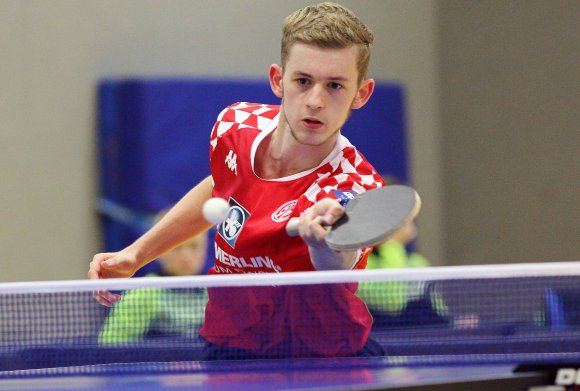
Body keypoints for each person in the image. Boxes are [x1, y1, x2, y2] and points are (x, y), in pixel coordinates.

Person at [89, 2, 385, 358]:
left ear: (361, 94)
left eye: (335, 85)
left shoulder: (356, 183)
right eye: (303, 81)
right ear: (278, 80)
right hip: (228, 346)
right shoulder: (234, 126)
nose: (316, 101)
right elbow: (218, 185)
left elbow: (339, 261)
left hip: (324, 356)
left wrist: (324, 242)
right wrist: (135, 255)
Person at [98, 212, 209, 345]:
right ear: (159, 251)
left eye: (194, 246)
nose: (186, 257)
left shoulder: (212, 291)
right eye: (177, 248)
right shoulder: (144, 292)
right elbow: (111, 346)